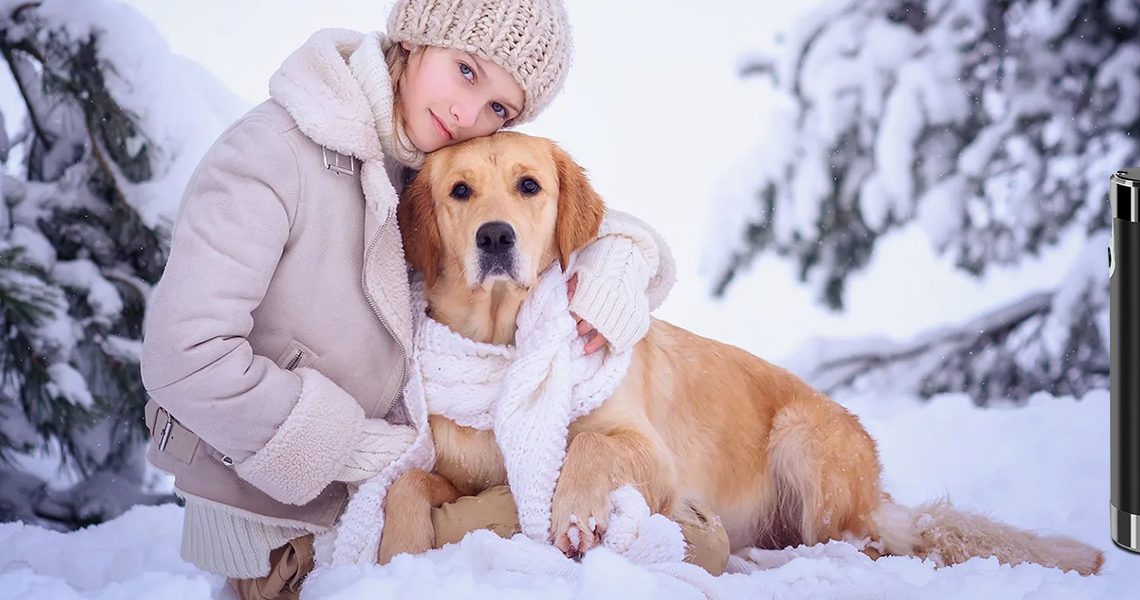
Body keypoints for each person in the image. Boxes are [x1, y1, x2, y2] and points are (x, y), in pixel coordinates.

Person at [138, 1, 723, 598]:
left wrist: (622, 259)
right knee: (674, 538)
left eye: (499, 106)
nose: (469, 112)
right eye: (467, 70)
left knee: (650, 524)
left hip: (394, 486)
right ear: (416, 40)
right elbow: (182, 357)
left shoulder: (416, 155)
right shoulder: (271, 154)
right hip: (293, 529)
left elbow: (538, 207)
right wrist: (350, 446)